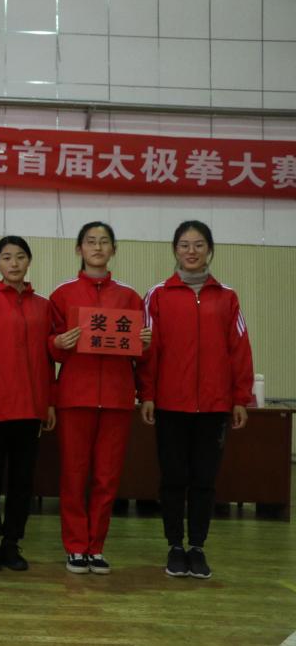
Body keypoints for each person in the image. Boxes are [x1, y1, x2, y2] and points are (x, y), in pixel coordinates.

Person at [139, 220, 253, 580]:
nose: (191, 251)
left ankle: (198, 547)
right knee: (173, 478)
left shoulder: (227, 297)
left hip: (215, 406)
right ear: (175, 250)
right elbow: (149, 351)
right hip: (170, 405)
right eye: (185, 245)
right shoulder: (157, 295)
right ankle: (175, 546)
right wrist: (147, 394)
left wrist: (240, 397)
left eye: (199, 245)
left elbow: (240, 349)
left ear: (210, 250)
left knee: (205, 479)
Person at [50, 222, 151, 574]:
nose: (97, 247)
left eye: (104, 241)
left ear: (113, 249)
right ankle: (76, 546)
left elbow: (142, 353)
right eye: (90, 241)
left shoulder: (130, 297)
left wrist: (144, 343)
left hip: (116, 398)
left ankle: (96, 546)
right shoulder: (62, 294)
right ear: (79, 249)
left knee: (107, 478)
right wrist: (56, 343)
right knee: (74, 475)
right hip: (74, 397)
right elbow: (49, 346)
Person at [0, 235, 56, 572]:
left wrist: (49, 403)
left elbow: (49, 360)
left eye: (20, 256)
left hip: (31, 411)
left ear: (29, 261)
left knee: (22, 483)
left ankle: (12, 543)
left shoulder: (44, 306)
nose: (14, 263)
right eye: (6, 257)